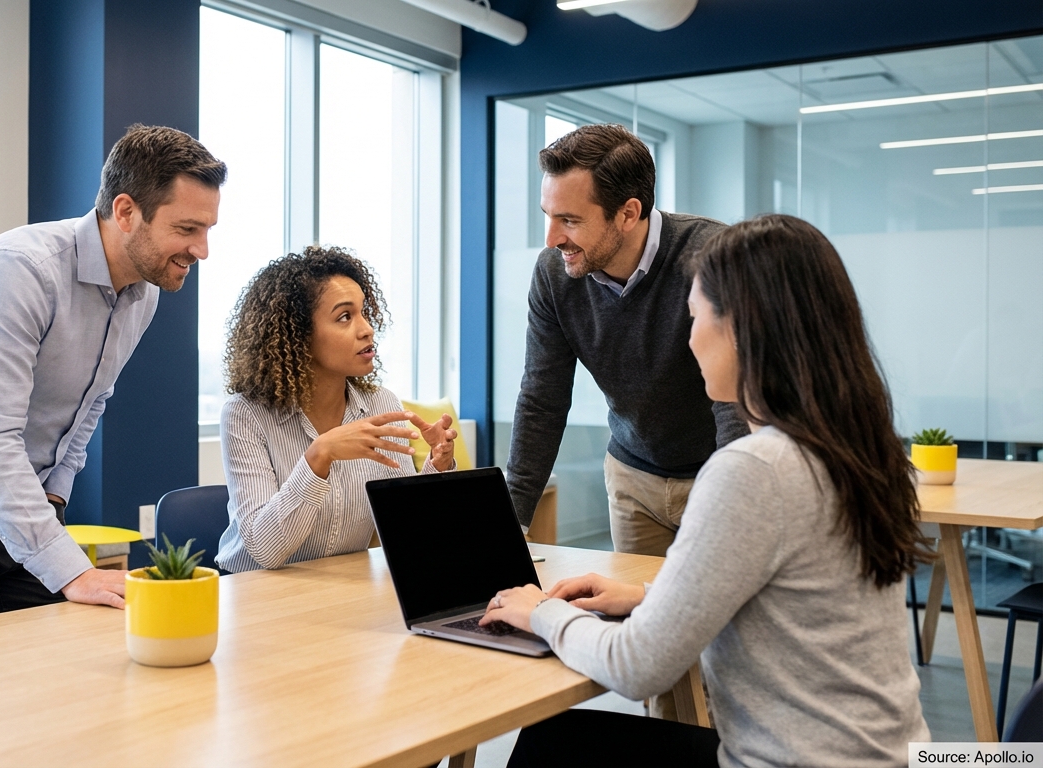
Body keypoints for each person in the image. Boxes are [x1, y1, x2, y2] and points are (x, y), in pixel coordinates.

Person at [483, 215, 933, 767]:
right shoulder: (853, 448)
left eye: (695, 318)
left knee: (549, 742)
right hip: (891, 753)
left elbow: (636, 667)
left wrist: (540, 614)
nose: (689, 339)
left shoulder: (754, 469)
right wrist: (652, 599)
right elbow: (793, 603)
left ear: (741, 330)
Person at [0, 125, 226, 631]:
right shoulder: (19, 270)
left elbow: (89, 405)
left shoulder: (141, 294)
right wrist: (71, 570)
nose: (203, 249)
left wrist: (55, 496)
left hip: (27, 496)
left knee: (34, 680)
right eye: (187, 229)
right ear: (126, 212)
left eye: (208, 229)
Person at [507, 123, 749, 559]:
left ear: (628, 213)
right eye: (549, 216)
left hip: (718, 471)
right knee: (634, 616)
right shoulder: (554, 273)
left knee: (715, 618)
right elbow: (542, 397)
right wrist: (513, 519)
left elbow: (735, 394)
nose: (551, 238)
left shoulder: (714, 256)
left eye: (570, 220)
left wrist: (731, 495)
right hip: (632, 475)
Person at [215, 246, 457, 573]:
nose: (366, 328)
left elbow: (406, 531)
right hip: (254, 591)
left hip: (337, 588)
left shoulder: (381, 403)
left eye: (363, 312)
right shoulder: (245, 414)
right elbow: (266, 551)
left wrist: (436, 467)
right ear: (298, 336)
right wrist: (320, 455)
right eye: (345, 317)